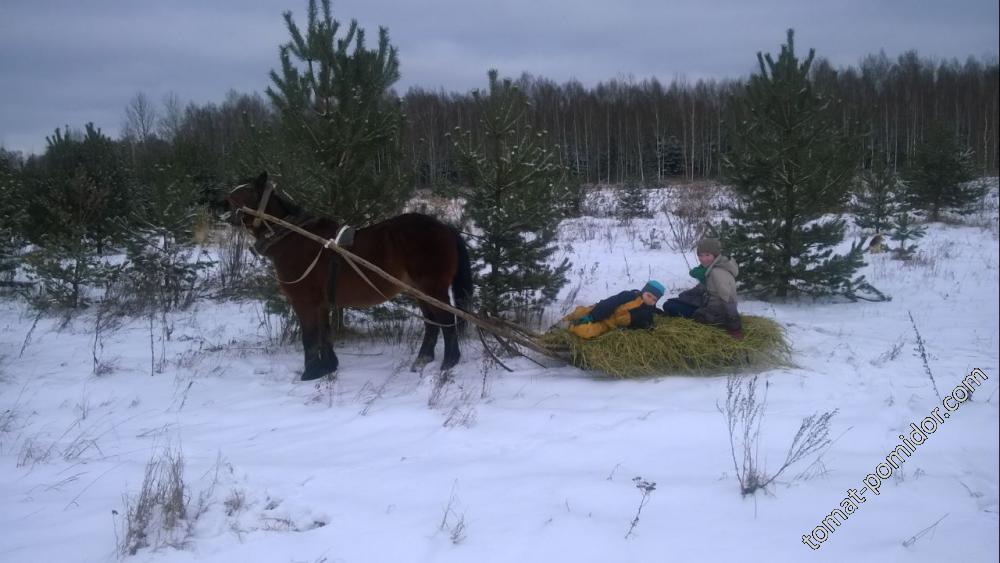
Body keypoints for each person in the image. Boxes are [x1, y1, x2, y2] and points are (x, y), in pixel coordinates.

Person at [661, 238, 744, 338]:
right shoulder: (712, 268)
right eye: (700, 255)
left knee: (669, 305)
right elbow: (705, 287)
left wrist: (735, 328)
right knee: (676, 301)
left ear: (715, 254)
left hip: (714, 315)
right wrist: (686, 295)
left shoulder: (717, 272)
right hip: (708, 304)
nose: (703, 259)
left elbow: (730, 300)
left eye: (707, 255)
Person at [563, 281, 665, 339]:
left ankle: (570, 328)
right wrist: (593, 316)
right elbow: (610, 303)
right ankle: (564, 322)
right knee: (580, 312)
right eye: (649, 295)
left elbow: (649, 321)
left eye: (654, 299)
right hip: (601, 310)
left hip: (608, 323)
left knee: (586, 332)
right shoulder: (629, 296)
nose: (650, 300)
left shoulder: (649, 310)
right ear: (643, 291)